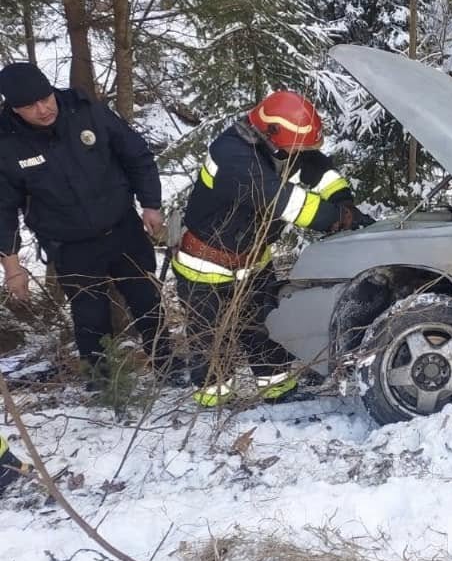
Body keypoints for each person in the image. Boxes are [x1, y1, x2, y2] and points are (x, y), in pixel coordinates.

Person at [173, 89, 374, 407]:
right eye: (299, 147)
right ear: (274, 136)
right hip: (205, 265)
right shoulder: (233, 156)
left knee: (265, 325)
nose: (302, 153)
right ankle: (214, 404)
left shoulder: (281, 148)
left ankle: (278, 388)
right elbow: (287, 203)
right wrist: (338, 219)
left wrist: (342, 201)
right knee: (210, 339)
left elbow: (321, 170)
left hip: (252, 259)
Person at [0, 62, 174, 383]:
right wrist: (12, 266)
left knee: (146, 301)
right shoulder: (6, 143)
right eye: (29, 106)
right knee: (90, 318)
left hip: (122, 230)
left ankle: (168, 365)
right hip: (71, 246)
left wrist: (150, 204)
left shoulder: (87, 112)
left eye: (45, 98)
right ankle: (103, 384)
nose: (42, 110)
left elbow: (136, 155)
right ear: (13, 109)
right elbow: (3, 209)